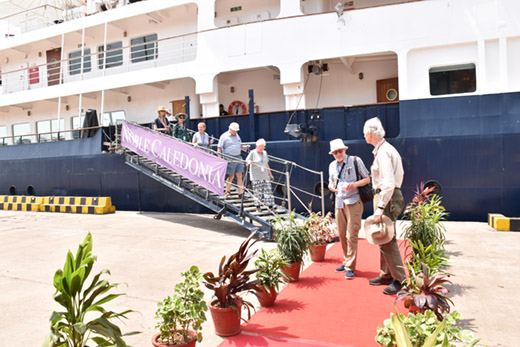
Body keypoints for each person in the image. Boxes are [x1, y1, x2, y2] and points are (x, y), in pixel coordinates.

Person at [363, 117, 406, 295]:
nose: (364, 135)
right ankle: (386, 274)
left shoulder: (383, 152)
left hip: (386, 197)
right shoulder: (386, 149)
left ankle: (400, 279)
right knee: (383, 237)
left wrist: (380, 208)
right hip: (388, 196)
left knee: (387, 239)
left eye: (364, 132)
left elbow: (388, 183)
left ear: (370, 134)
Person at [327, 138, 370, 279]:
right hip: (339, 202)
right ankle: (346, 261)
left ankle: (350, 266)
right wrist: (331, 187)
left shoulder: (356, 161)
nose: (338, 154)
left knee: (352, 234)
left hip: (353, 201)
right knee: (341, 234)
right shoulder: (332, 166)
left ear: (345, 150)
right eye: (335, 152)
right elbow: (330, 183)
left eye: (340, 151)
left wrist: (355, 184)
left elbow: (367, 179)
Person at [217, 122, 249, 199]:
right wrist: (220, 158)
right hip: (229, 157)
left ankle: (240, 193)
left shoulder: (237, 136)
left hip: (238, 157)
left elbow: (239, 145)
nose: (236, 132)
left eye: (236, 130)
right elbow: (219, 148)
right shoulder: (224, 136)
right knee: (231, 175)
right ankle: (227, 192)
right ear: (230, 129)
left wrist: (244, 147)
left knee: (240, 175)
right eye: (234, 130)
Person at [245, 138, 275, 211]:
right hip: (256, 176)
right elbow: (246, 161)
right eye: (261, 147)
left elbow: (266, 164)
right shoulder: (252, 152)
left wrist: (270, 174)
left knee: (268, 191)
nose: (262, 148)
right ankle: (258, 206)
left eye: (263, 147)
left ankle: (270, 206)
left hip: (265, 175)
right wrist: (249, 162)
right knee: (257, 191)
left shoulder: (265, 153)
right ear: (257, 146)